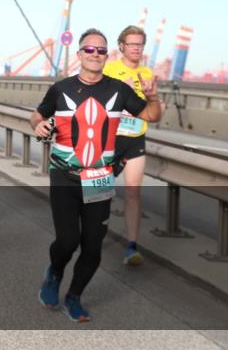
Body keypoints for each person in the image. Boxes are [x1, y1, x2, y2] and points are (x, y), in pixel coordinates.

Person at [30, 28, 162, 322]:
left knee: (93, 245)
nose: (95, 54)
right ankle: (54, 273)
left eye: (101, 50)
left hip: (100, 177)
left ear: (107, 56)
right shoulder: (61, 89)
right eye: (89, 50)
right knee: (68, 240)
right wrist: (38, 125)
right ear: (79, 55)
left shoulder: (119, 90)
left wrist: (154, 97)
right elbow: (38, 115)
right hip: (65, 175)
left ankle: (74, 296)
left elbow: (152, 116)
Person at [104, 25, 155, 266]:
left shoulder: (148, 73)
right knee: (100, 192)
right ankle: (93, 231)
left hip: (135, 138)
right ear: (122, 46)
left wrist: (154, 98)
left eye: (140, 44)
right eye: (132, 44)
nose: (136, 48)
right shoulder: (110, 69)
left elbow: (153, 108)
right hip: (109, 139)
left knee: (133, 192)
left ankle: (132, 246)